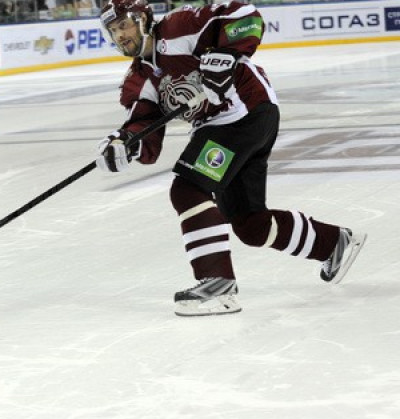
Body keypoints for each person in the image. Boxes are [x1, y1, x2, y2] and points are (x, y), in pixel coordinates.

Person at [95, 0, 366, 316]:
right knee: (251, 225)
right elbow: (145, 130)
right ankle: (334, 243)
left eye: (124, 25)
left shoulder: (178, 28)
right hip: (231, 124)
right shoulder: (138, 80)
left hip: (244, 110)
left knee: (187, 188)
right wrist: (125, 143)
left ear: (143, 19)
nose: (120, 35)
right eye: (113, 30)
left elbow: (244, 15)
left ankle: (218, 285)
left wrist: (227, 55)